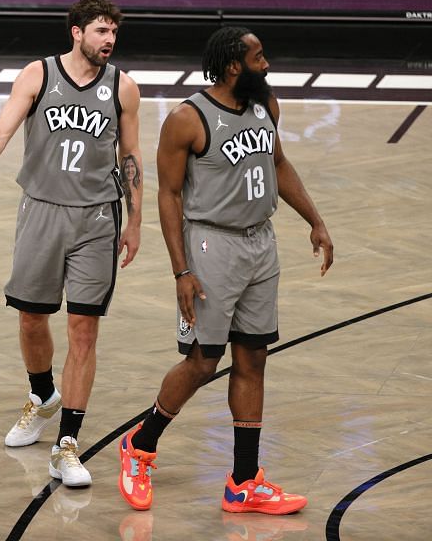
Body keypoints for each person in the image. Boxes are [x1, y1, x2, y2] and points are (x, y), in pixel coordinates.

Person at [118, 26, 333, 513]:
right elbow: (168, 196)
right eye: (259, 57)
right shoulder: (187, 119)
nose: (267, 63)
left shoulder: (266, 106)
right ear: (234, 65)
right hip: (211, 245)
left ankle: (243, 481)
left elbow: (278, 164)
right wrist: (181, 271)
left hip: (261, 244)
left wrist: (316, 221)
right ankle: (140, 446)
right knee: (202, 360)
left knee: (253, 359)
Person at [0, 0, 143, 487]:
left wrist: (136, 220)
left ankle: (67, 445)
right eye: (101, 31)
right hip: (40, 210)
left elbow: (131, 157)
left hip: (97, 218)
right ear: (76, 32)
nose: (109, 41)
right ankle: (42, 396)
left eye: (113, 33)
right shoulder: (37, 75)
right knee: (32, 316)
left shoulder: (123, 88)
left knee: (84, 330)